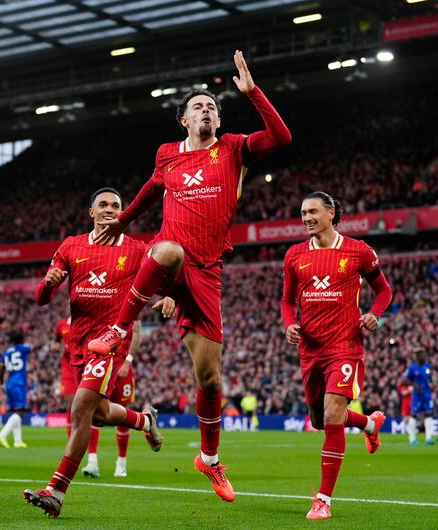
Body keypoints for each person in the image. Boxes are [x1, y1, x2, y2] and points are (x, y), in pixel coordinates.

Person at [88, 50, 292, 502]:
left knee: (209, 380)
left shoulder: (234, 147)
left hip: (207, 273)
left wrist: (252, 92)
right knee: (166, 248)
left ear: (218, 120)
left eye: (212, 107)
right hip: (171, 258)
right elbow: (147, 189)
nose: (207, 110)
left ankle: (210, 460)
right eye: (198, 106)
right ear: (183, 119)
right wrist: (124, 222)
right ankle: (118, 331)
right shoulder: (167, 156)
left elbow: (281, 136)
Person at [23, 188, 173, 518]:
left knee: (80, 412)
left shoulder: (136, 250)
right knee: (99, 414)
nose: (109, 210)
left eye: (116, 206)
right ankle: (145, 421)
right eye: (103, 205)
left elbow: (169, 271)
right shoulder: (71, 246)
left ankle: (56, 491)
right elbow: (41, 298)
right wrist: (49, 284)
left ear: (123, 213)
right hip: (78, 345)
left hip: (109, 345)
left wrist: (173, 296)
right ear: (91, 212)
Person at [280, 191, 392, 520]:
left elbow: (384, 290)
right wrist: (289, 324)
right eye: (303, 213)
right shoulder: (294, 255)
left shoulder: (358, 251)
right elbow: (287, 301)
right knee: (319, 419)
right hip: (310, 349)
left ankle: (323, 499)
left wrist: (375, 314)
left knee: (331, 415)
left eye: (313, 211)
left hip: (345, 345)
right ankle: (370, 424)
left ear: (331, 213)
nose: (306, 218)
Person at [82, 320, 144, 478]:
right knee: (94, 412)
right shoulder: (104, 304)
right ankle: (92, 462)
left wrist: (128, 362)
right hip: (101, 365)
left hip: (122, 366)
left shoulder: (130, 308)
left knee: (123, 415)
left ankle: (121, 464)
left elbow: (137, 333)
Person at [0, 331, 31, 449]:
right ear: (21, 339)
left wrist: (1, 384)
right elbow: (33, 347)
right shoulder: (23, 348)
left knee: (15, 411)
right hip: (19, 382)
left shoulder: (6, 352)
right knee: (20, 412)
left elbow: (1, 370)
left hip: (9, 382)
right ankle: (2, 434)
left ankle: (18, 441)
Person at [405, 350, 436, 446]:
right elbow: (406, 380)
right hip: (417, 395)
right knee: (414, 414)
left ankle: (429, 438)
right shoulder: (412, 368)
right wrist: (415, 385)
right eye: (422, 355)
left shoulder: (428, 366)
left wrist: (432, 384)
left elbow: (430, 379)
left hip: (427, 394)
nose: (424, 357)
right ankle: (412, 439)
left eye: (424, 355)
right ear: (417, 357)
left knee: (428, 414)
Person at [54, 316, 75, 439]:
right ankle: (71, 443)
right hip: (68, 367)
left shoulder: (88, 320)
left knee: (91, 407)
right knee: (70, 403)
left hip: (86, 365)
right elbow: (56, 340)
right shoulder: (61, 324)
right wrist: (55, 346)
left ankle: (92, 452)